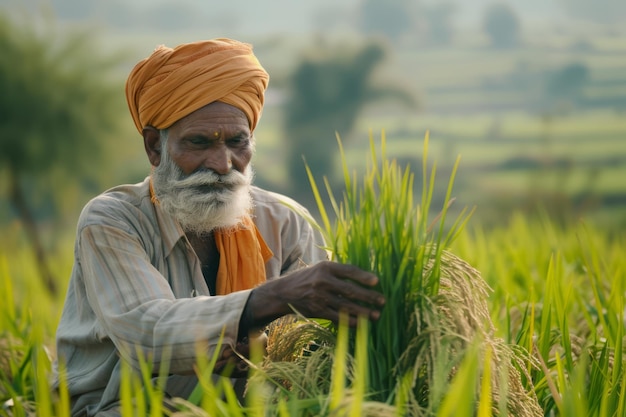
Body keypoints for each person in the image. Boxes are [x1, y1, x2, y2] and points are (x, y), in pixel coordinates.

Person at [53, 38, 385, 416]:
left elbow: (313, 341)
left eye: (237, 141)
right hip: (121, 407)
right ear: (154, 147)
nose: (224, 163)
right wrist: (269, 299)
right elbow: (146, 332)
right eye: (199, 143)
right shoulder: (113, 220)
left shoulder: (286, 222)